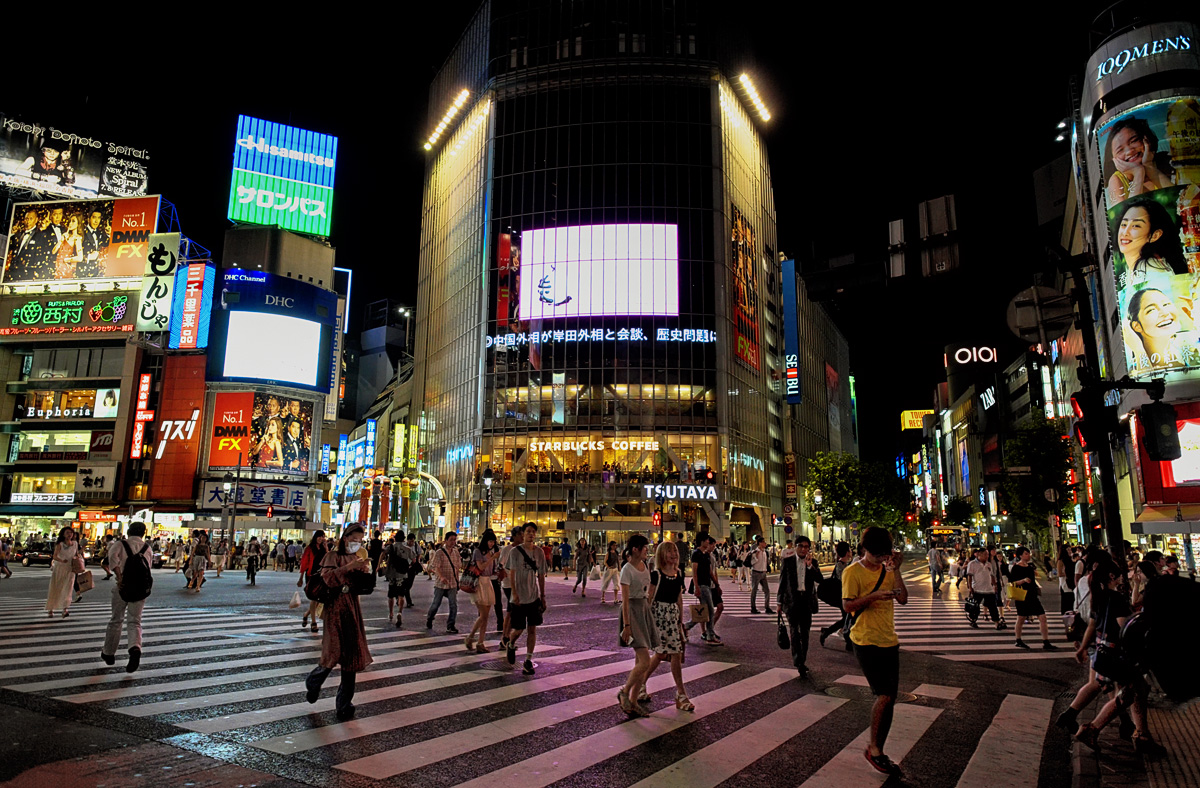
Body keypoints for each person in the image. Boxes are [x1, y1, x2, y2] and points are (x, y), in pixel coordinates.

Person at [842, 526, 908, 777]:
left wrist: (897, 570)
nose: (882, 559)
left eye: (885, 555)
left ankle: (877, 747)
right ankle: (874, 750)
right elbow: (847, 606)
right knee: (884, 694)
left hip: (889, 640)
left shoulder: (888, 569)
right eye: (878, 555)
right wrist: (875, 596)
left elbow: (903, 599)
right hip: (865, 640)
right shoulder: (852, 572)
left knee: (890, 697)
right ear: (865, 549)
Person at [305, 524, 373, 722]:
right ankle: (314, 681)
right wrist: (348, 568)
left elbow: (361, 586)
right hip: (335, 608)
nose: (357, 544)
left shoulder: (356, 557)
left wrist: (364, 572)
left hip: (352, 608)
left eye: (360, 541)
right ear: (345, 538)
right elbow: (327, 579)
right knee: (333, 651)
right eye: (354, 540)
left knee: (351, 656)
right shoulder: (332, 557)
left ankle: (344, 705)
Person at [643, 540, 694, 712]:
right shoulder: (656, 574)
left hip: (672, 616)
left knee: (665, 654)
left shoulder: (678, 573)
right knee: (669, 653)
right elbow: (649, 598)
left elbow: (679, 598)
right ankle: (681, 694)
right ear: (661, 555)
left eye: (675, 551)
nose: (674, 554)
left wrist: (681, 620)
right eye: (670, 551)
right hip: (659, 616)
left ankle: (641, 685)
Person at [99, 521, 152, 673]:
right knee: (135, 621)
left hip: (122, 587)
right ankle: (135, 648)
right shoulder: (147, 548)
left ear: (129, 531)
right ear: (143, 532)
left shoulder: (120, 544)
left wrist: (120, 577)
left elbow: (112, 561)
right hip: (140, 589)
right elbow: (147, 568)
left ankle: (109, 653)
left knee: (116, 619)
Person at [617, 534, 658, 717]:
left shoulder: (644, 566)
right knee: (645, 661)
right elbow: (625, 601)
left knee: (640, 660)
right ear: (635, 549)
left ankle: (633, 702)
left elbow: (646, 591)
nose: (646, 551)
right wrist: (626, 625)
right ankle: (624, 692)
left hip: (643, 610)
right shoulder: (627, 569)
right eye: (644, 548)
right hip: (632, 611)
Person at [504, 522, 547, 675]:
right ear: (523, 534)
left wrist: (543, 596)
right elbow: (512, 574)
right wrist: (514, 594)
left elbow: (541, 575)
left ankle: (528, 660)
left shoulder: (539, 553)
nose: (531, 534)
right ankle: (510, 643)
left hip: (533, 596)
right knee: (519, 629)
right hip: (518, 598)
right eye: (528, 531)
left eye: (533, 532)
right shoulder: (515, 552)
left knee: (532, 629)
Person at [778, 535, 824, 677]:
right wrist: (779, 603)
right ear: (795, 547)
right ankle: (798, 661)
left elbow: (820, 579)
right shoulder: (788, 561)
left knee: (805, 632)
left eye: (806, 547)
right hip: (792, 600)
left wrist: (810, 566)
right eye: (801, 546)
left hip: (806, 601)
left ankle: (802, 659)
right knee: (794, 631)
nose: (803, 549)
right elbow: (782, 583)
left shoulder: (813, 562)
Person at [1103, 117, 1174, 205]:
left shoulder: (1166, 160)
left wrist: (1149, 166)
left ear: (1145, 139)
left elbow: (1180, 198)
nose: (1129, 151)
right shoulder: (1117, 180)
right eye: (1120, 150)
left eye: (1134, 141)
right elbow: (1125, 215)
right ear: (1112, 158)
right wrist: (1138, 173)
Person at [1010, 547, 1058, 651]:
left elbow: (1034, 578)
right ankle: (1018, 640)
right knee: (1021, 618)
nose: (1028, 555)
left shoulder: (1030, 566)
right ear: (1020, 556)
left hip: (1032, 596)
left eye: (1028, 553)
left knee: (1042, 617)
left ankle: (1046, 641)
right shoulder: (1016, 568)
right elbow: (1012, 582)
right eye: (1026, 553)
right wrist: (1023, 580)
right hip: (1022, 596)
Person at [465, 529, 498, 653]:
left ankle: (480, 642)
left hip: (488, 582)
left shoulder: (491, 552)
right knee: (483, 615)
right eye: (490, 541)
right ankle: (470, 637)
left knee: (486, 616)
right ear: (485, 541)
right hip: (478, 583)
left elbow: (491, 570)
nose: (491, 543)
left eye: (493, 541)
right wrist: (492, 558)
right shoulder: (478, 551)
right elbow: (481, 567)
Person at [819, 541, 855, 651]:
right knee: (848, 618)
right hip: (842, 596)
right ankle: (829, 633)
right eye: (849, 550)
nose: (851, 552)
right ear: (847, 552)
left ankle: (830, 633)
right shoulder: (840, 565)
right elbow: (843, 581)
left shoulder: (844, 565)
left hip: (844, 596)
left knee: (847, 618)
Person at [426, 532, 462, 633]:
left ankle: (451, 625)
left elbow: (457, 568)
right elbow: (436, 566)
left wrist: (457, 581)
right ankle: (430, 618)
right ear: (445, 540)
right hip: (440, 584)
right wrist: (441, 577)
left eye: (454, 539)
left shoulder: (456, 552)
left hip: (452, 583)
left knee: (453, 605)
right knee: (436, 604)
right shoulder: (439, 552)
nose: (453, 542)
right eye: (451, 539)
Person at [384, 532, 417, 628]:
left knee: (391, 595)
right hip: (402, 574)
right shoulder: (407, 549)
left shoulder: (391, 547)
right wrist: (408, 566)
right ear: (403, 539)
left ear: (395, 538)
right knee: (401, 595)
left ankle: (390, 613)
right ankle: (399, 612)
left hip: (392, 574)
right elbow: (414, 559)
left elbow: (383, 553)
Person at [966, 547, 1004, 629]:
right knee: (975, 607)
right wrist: (970, 587)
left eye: (987, 554)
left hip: (989, 589)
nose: (987, 556)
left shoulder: (988, 564)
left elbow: (992, 575)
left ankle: (997, 623)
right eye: (985, 554)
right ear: (979, 555)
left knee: (993, 607)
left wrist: (995, 585)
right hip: (977, 588)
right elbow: (969, 576)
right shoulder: (972, 564)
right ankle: (973, 621)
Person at [46, 527, 80, 618]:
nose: (70, 534)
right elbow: (55, 556)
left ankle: (65, 609)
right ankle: (51, 608)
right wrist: (61, 560)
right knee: (56, 588)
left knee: (68, 589)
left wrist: (78, 560)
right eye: (67, 532)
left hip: (70, 569)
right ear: (63, 534)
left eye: (71, 533)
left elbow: (77, 554)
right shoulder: (60, 544)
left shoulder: (75, 544)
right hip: (60, 568)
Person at [298, 531, 328, 634]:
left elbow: (328, 559)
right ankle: (313, 622)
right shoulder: (310, 548)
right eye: (319, 537)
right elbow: (304, 563)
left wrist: (326, 547)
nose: (321, 538)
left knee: (320, 599)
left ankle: (306, 614)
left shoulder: (324, 548)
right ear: (315, 537)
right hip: (311, 575)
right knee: (314, 598)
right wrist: (301, 578)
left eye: (322, 537)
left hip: (322, 575)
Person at [747, 534, 774, 615]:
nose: (765, 543)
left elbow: (766, 562)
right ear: (759, 543)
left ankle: (767, 607)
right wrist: (756, 557)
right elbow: (752, 562)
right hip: (756, 572)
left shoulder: (765, 552)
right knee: (754, 590)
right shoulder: (755, 552)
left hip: (763, 573)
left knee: (767, 590)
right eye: (763, 542)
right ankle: (753, 607)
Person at [80, 209, 108, 278]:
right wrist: (88, 257)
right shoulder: (81, 232)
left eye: (98, 218)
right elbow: (74, 253)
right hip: (83, 273)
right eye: (94, 217)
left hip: (96, 273)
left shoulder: (100, 233)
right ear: (88, 218)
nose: (96, 221)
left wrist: (109, 234)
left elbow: (107, 245)